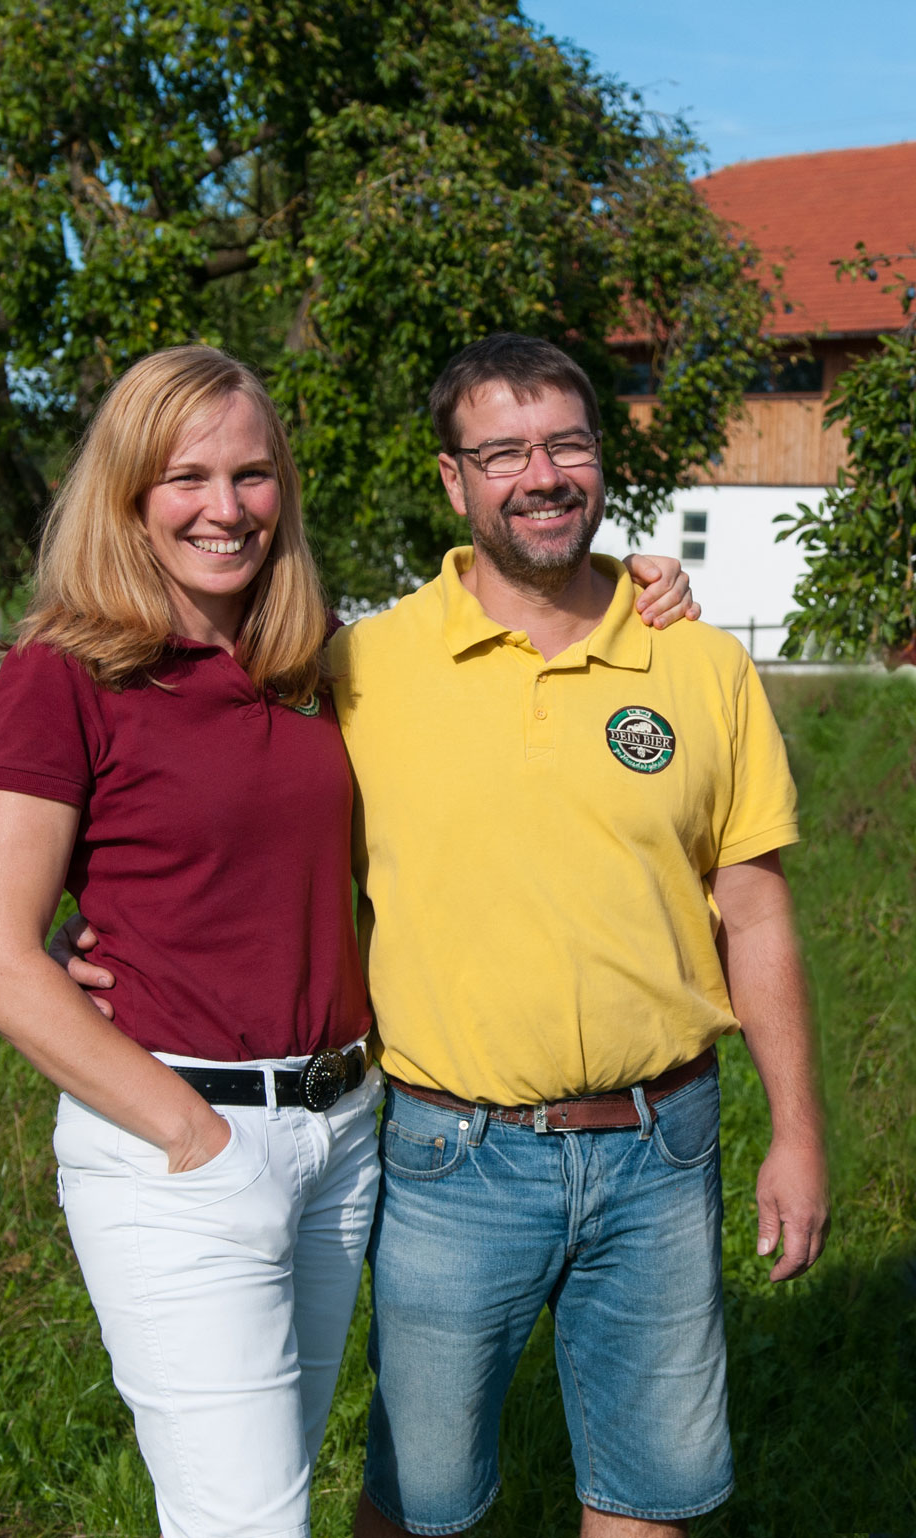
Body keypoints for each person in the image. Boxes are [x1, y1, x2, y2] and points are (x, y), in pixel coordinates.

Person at [0, 343, 698, 1538]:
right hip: (182, 1146)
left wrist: (637, 581)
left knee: (275, 1487)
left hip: (344, 1136)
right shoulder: (67, 669)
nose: (224, 506)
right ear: (127, 492)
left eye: (251, 474)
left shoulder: (310, 662)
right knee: (244, 1520)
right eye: (184, 475)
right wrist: (189, 1131)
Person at [328, 334, 831, 1538]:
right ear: (452, 481)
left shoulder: (698, 663)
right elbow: (253, 838)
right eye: (501, 451)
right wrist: (108, 923)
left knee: (646, 1497)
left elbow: (752, 908)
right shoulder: (361, 667)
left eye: (564, 443)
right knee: (419, 1503)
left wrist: (799, 1135)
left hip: (665, 1148)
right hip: (452, 1154)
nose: (539, 473)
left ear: (599, 461)